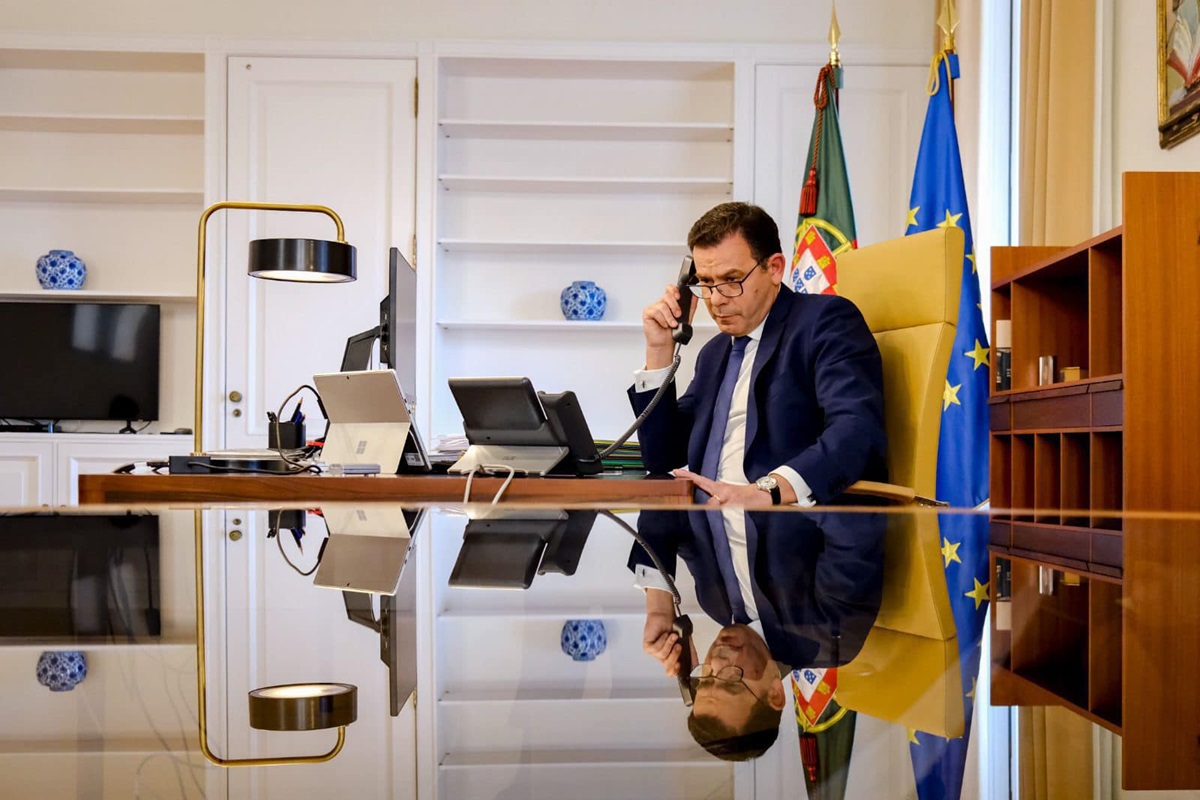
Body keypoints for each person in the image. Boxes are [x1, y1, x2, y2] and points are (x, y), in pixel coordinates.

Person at [629, 201, 886, 507]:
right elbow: (662, 457)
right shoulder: (714, 353)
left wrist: (767, 491)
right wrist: (659, 350)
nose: (716, 300)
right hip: (709, 522)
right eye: (706, 282)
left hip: (789, 521)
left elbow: (855, 431)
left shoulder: (824, 322)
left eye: (731, 279)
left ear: (774, 268)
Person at [634, 508, 886, 760]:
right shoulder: (828, 634)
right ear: (775, 694)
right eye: (732, 682)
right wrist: (773, 493)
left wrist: (658, 605)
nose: (717, 662)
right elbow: (855, 523)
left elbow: (666, 507)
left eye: (707, 679)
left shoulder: (714, 603)